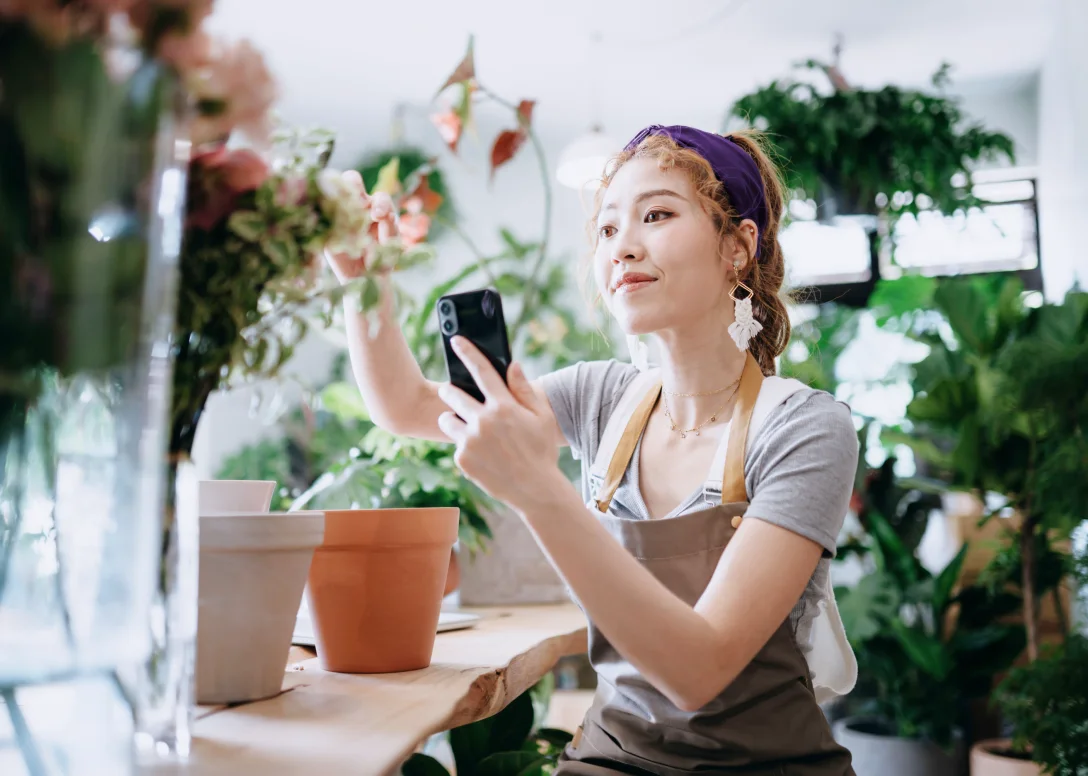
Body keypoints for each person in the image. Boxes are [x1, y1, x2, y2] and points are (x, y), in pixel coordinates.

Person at [327, 124, 858, 775]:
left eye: (656, 214)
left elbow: (700, 670)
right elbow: (407, 407)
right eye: (607, 230)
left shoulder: (805, 429)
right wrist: (360, 275)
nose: (622, 247)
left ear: (737, 247)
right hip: (611, 760)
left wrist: (537, 491)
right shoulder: (602, 397)